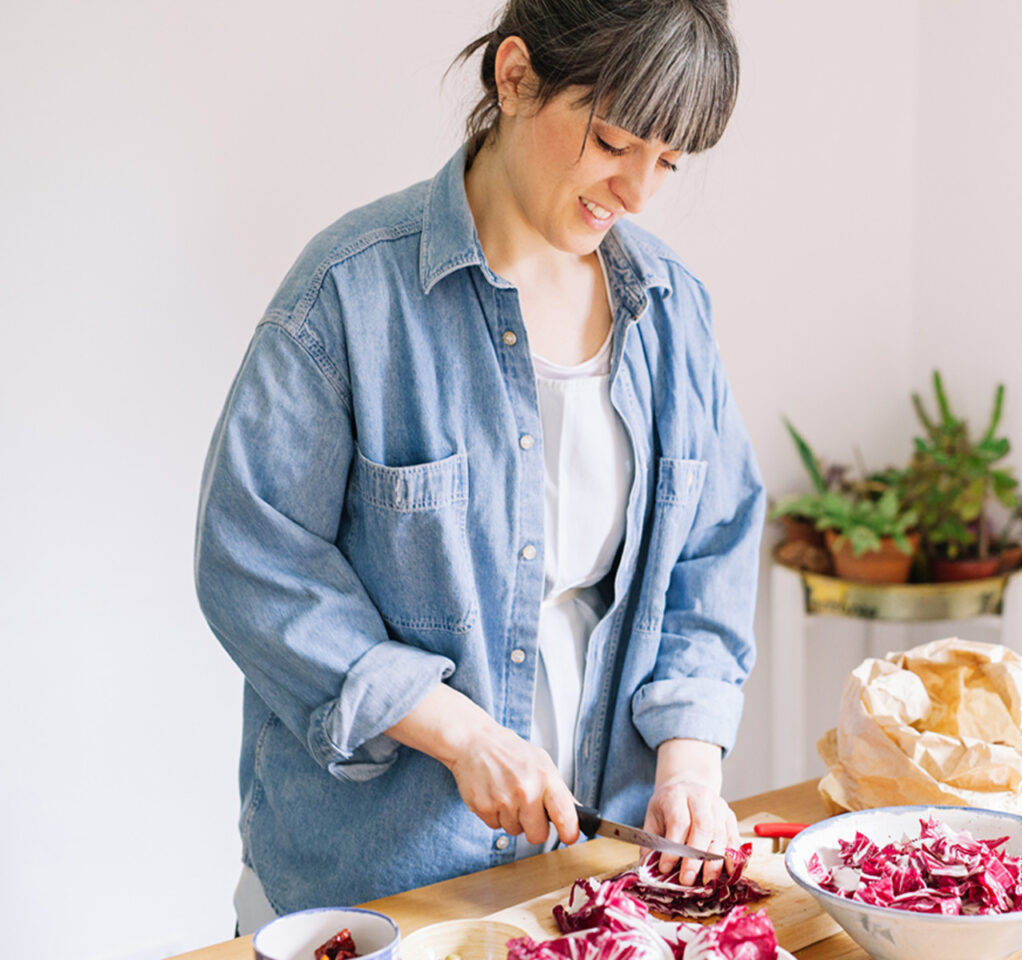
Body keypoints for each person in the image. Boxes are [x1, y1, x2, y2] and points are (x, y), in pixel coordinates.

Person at [194, 0, 761, 933]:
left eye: (668, 161)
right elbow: (254, 563)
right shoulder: (349, 295)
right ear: (516, 76)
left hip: (593, 881)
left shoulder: (672, 311)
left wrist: (690, 762)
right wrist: (458, 734)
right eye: (614, 142)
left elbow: (712, 553)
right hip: (378, 889)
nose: (636, 192)